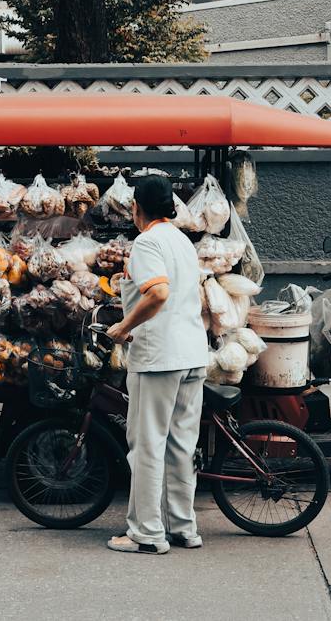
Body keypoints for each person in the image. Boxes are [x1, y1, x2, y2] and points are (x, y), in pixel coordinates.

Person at [105, 174, 209, 555]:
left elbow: (159, 293)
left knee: (148, 445)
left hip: (158, 357)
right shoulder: (182, 240)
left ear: (137, 207)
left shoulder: (147, 241)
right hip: (192, 354)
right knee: (182, 445)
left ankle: (147, 534)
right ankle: (183, 528)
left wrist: (123, 325)